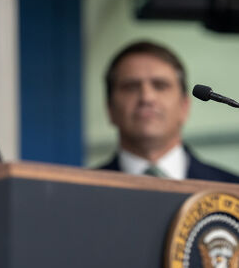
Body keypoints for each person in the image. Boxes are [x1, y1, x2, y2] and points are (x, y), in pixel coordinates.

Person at [98, 40, 239, 182]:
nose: (147, 98)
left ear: (184, 106)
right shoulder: (82, 192)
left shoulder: (231, 189)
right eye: (131, 87)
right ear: (110, 109)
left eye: (160, 86)